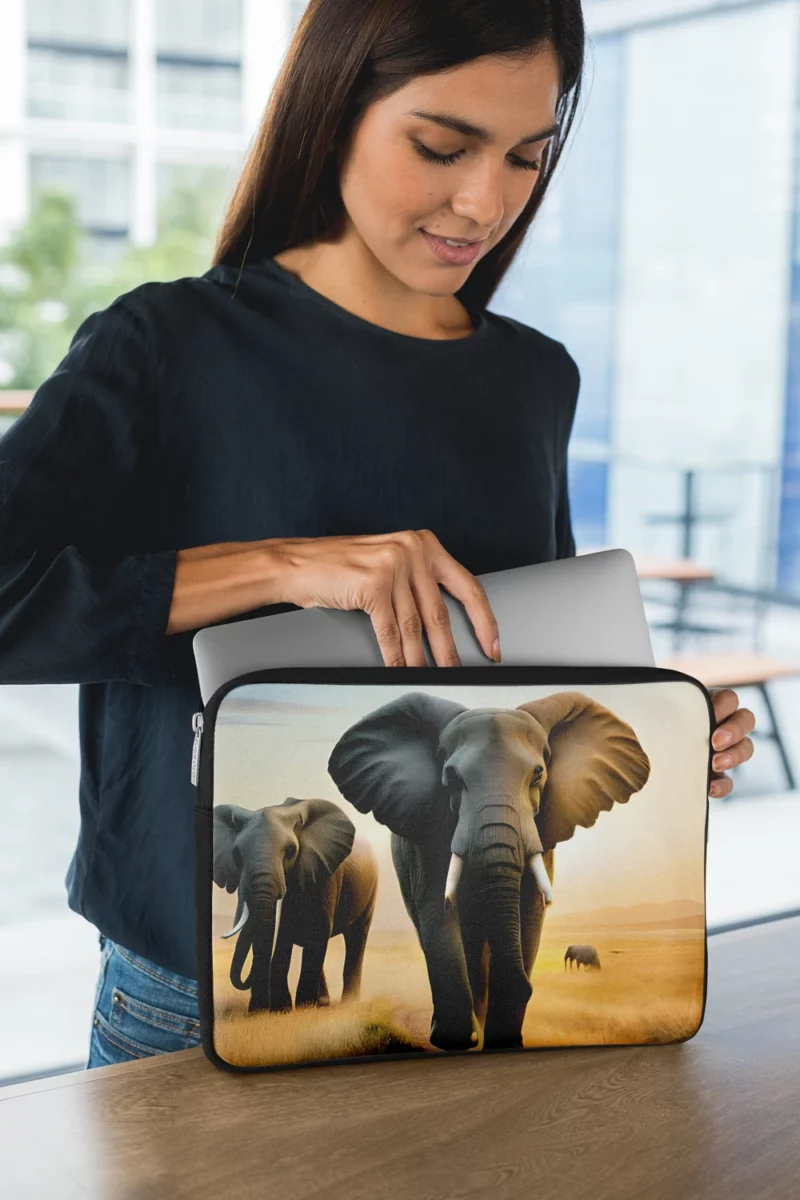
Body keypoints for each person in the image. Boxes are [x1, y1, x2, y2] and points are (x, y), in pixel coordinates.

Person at [0, 0, 755, 1069]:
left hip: (458, 986)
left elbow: (511, 663)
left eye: (525, 158)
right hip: (191, 997)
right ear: (333, 107)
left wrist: (671, 727)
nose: (482, 201)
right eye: (440, 147)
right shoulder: (163, 345)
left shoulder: (536, 379)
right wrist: (289, 567)